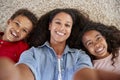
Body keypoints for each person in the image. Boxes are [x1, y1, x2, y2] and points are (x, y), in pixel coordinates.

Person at [0, 8, 98, 80]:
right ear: (50, 25)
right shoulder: (33, 53)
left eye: (67, 25)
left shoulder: (80, 56)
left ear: (71, 30)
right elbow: (24, 70)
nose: (61, 28)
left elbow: (85, 73)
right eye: (58, 23)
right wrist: (14, 75)